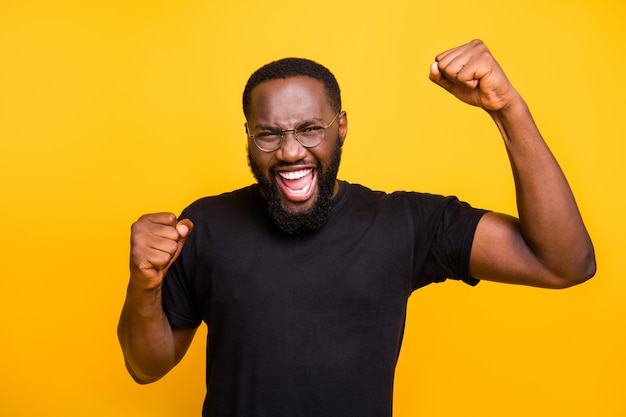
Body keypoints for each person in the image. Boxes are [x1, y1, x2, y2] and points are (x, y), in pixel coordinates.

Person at [117, 39, 596, 416]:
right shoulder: (206, 225)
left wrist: (507, 108)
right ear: (249, 134)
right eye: (269, 133)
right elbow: (146, 367)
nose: (289, 151)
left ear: (340, 126)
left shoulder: (405, 224)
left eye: (310, 128)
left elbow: (563, 263)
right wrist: (144, 285)